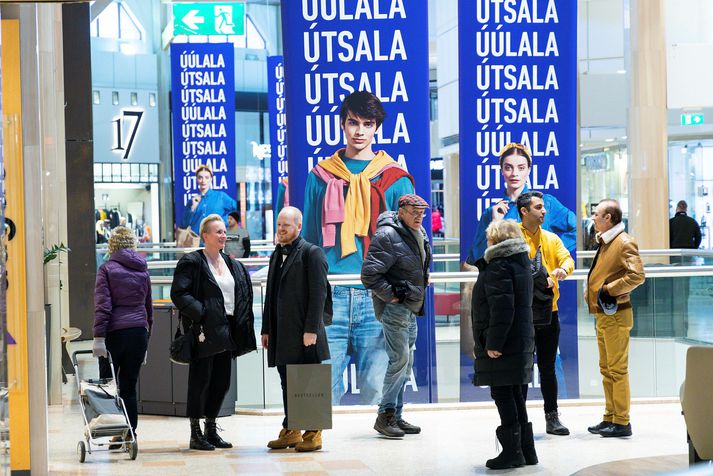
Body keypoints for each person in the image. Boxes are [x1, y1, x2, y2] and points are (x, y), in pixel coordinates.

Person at [302, 90, 415, 405]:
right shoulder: (320, 177)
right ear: (342, 124)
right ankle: (317, 453)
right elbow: (308, 243)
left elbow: (411, 246)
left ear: (377, 127)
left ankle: (376, 457)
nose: (360, 131)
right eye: (353, 122)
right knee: (318, 397)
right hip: (329, 296)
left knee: (379, 395)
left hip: (379, 296)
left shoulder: (396, 179)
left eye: (368, 123)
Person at [171, 214, 257, 451]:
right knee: (201, 381)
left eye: (223, 232)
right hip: (204, 331)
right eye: (218, 232)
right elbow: (179, 293)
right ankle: (195, 432)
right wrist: (203, 313)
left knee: (221, 382)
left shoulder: (231, 263)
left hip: (228, 330)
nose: (223, 235)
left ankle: (211, 427)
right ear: (205, 236)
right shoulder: (193, 262)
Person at [262, 207, 331, 452]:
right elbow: (271, 294)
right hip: (283, 333)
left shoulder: (312, 253)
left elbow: (319, 294)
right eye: (279, 225)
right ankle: (292, 429)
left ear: (298, 227)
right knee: (288, 381)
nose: (281, 229)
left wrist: (312, 328)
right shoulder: (275, 254)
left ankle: (314, 432)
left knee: (308, 381)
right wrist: (266, 328)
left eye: (286, 226)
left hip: (305, 332)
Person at [362, 194, 431, 438]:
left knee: (406, 362)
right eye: (414, 211)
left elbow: (415, 264)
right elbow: (369, 275)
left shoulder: (418, 232)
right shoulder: (387, 236)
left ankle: (396, 416)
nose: (419, 216)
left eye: (422, 212)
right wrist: (392, 296)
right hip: (396, 308)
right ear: (400, 210)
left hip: (411, 307)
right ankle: (385, 415)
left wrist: (422, 280)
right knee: (399, 360)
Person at [471, 219, 536, 469]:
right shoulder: (522, 262)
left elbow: (502, 308)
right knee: (516, 394)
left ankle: (512, 453)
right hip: (519, 339)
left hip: (504, 342)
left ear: (495, 240)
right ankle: (526, 452)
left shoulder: (499, 266)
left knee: (503, 393)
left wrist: (493, 342)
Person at [586, 199, 645, 438]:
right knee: (606, 368)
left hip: (616, 313)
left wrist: (610, 289)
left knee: (617, 369)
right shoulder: (607, 241)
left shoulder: (623, 242)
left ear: (608, 217)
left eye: (597, 214)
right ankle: (610, 417)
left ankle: (622, 421)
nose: (593, 218)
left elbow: (637, 275)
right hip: (604, 313)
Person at [517, 191, 574, 435]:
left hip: (549, 313)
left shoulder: (550, 238)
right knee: (521, 368)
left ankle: (552, 417)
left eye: (543, 207)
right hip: (520, 315)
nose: (544, 211)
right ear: (524, 211)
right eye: (538, 207)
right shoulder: (512, 238)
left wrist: (562, 270)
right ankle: (519, 420)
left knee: (548, 367)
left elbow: (567, 260)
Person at [466, 143, 577, 264]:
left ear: (529, 169)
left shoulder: (547, 203)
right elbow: (476, 258)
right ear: (501, 170)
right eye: (508, 167)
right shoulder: (491, 212)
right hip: (504, 280)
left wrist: (550, 252)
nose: (514, 173)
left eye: (521, 167)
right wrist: (495, 223)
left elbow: (576, 229)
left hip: (537, 280)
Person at [92, 226, 152, 445]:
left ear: (112, 244)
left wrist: (98, 337)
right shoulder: (143, 269)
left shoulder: (106, 269)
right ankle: (129, 434)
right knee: (129, 387)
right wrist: (147, 340)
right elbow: (148, 308)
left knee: (108, 386)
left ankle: (113, 430)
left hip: (114, 335)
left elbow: (103, 306)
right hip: (138, 334)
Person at [182, 165, 237, 235]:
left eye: (206, 177)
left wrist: (223, 221)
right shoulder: (192, 201)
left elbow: (237, 210)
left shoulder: (221, 196)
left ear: (211, 178)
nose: (203, 181)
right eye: (200, 177)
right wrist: (192, 210)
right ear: (196, 179)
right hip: (196, 242)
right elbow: (184, 225)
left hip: (216, 240)